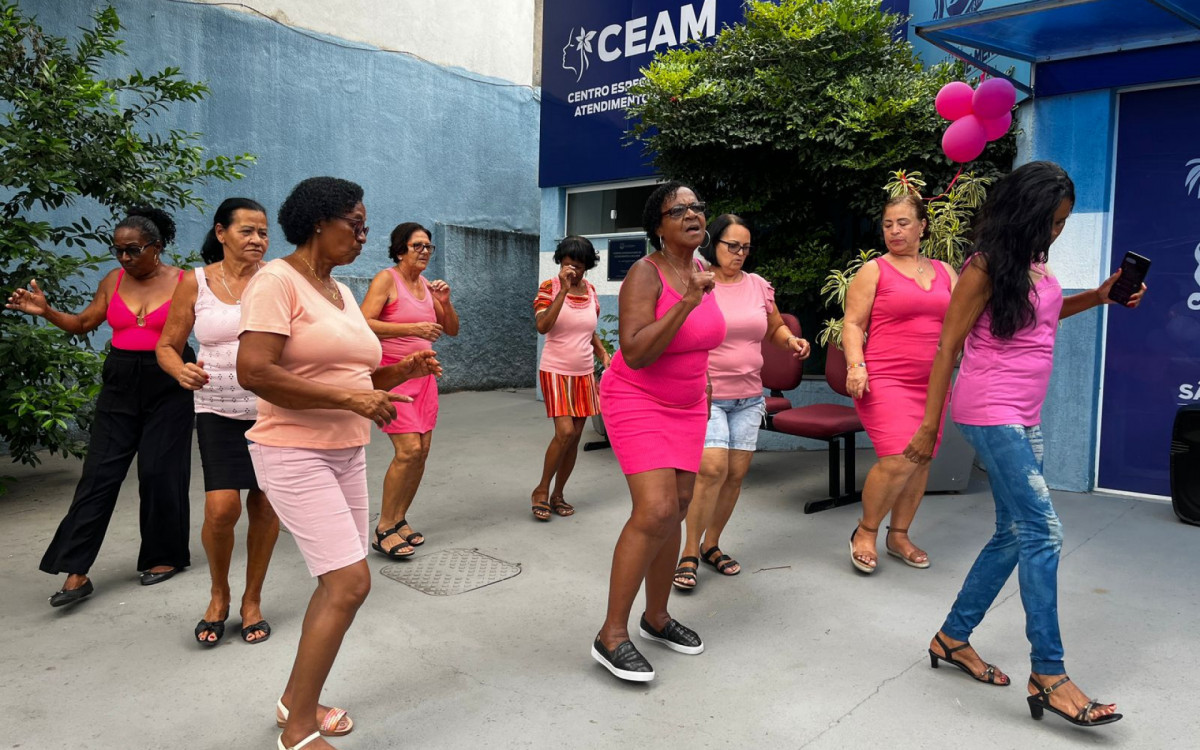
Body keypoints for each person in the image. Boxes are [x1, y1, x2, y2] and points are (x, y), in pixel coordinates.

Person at [907, 162, 1141, 727]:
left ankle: (952, 637)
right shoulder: (983, 267)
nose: (1056, 232)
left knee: (1013, 533)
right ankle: (1050, 673)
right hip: (990, 411)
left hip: (1023, 414)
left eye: (1063, 223)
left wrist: (1102, 297)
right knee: (1043, 530)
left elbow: (1043, 318)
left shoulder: (1032, 263)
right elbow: (947, 348)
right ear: (1026, 212)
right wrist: (928, 425)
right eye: (1051, 222)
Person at [237, 177, 441, 750]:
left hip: (345, 452)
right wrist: (352, 399)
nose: (363, 234)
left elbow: (350, 378)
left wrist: (401, 373)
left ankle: (293, 702)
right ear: (318, 222)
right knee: (349, 584)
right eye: (355, 223)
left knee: (339, 586)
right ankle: (296, 731)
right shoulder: (276, 282)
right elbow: (254, 371)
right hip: (292, 450)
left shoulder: (341, 292)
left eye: (365, 224)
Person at [7, 208, 192, 605]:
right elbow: (82, 324)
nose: (124, 258)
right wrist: (46, 311)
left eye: (133, 250)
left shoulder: (185, 282)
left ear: (156, 248)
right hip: (120, 380)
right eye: (118, 250)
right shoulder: (113, 281)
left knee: (161, 471)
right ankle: (76, 570)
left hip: (169, 379)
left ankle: (164, 556)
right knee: (99, 475)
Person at [591, 182, 725, 682]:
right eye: (679, 210)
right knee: (655, 510)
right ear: (659, 227)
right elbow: (638, 352)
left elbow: (701, 343)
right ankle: (611, 635)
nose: (692, 214)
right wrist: (687, 302)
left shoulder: (702, 271)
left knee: (679, 507)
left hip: (689, 405)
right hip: (637, 398)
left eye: (697, 207)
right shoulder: (645, 277)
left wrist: (704, 386)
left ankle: (657, 616)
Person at [156, 197, 279, 645]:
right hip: (216, 411)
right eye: (247, 230)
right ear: (221, 232)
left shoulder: (278, 279)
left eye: (263, 232)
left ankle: (252, 600)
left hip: (271, 410)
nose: (257, 239)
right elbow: (167, 345)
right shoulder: (196, 283)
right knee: (221, 508)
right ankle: (218, 593)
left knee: (265, 505)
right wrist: (179, 369)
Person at [674, 215, 809, 590]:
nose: (740, 253)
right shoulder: (700, 282)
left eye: (746, 247)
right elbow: (680, 329)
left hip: (750, 397)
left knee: (735, 474)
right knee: (713, 468)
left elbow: (775, 327)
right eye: (732, 245)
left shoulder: (759, 286)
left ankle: (711, 545)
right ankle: (687, 550)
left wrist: (791, 342)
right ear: (713, 244)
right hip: (710, 395)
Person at [842, 194, 958, 573]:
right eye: (888, 223)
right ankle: (865, 531)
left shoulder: (945, 271)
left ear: (923, 226)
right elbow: (853, 324)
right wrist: (856, 365)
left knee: (921, 459)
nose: (894, 230)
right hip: (886, 379)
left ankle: (899, 535)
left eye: (903, 223)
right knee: (898, 457)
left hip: (934, 383)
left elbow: (967, 320)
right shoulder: (874, 270)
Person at [359, 222, 459, 558]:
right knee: (408, 451)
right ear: (400, 249)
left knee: (422, 451)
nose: (425, 252)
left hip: (425, 377)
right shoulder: (387, 279)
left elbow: (452, 329)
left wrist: (444, 301)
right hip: (393, 377)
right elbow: (362, 323)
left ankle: (399, 518)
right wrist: (412, 326)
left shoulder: (429, 286)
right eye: (418, 246)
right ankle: (384, 527)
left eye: (429, 246)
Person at [529, 235, 610, 521]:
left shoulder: (591, 292)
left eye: (577, 265)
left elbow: (588, 331)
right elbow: (542, 326)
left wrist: (602, 354)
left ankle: (558, 494)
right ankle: (541, 490)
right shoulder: (549, 288)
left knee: (574, 437)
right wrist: (562, 292)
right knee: (564, 432)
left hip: (584, 372)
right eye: (566, 264)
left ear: (587, 266)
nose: (571, 270)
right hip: (555, 370)